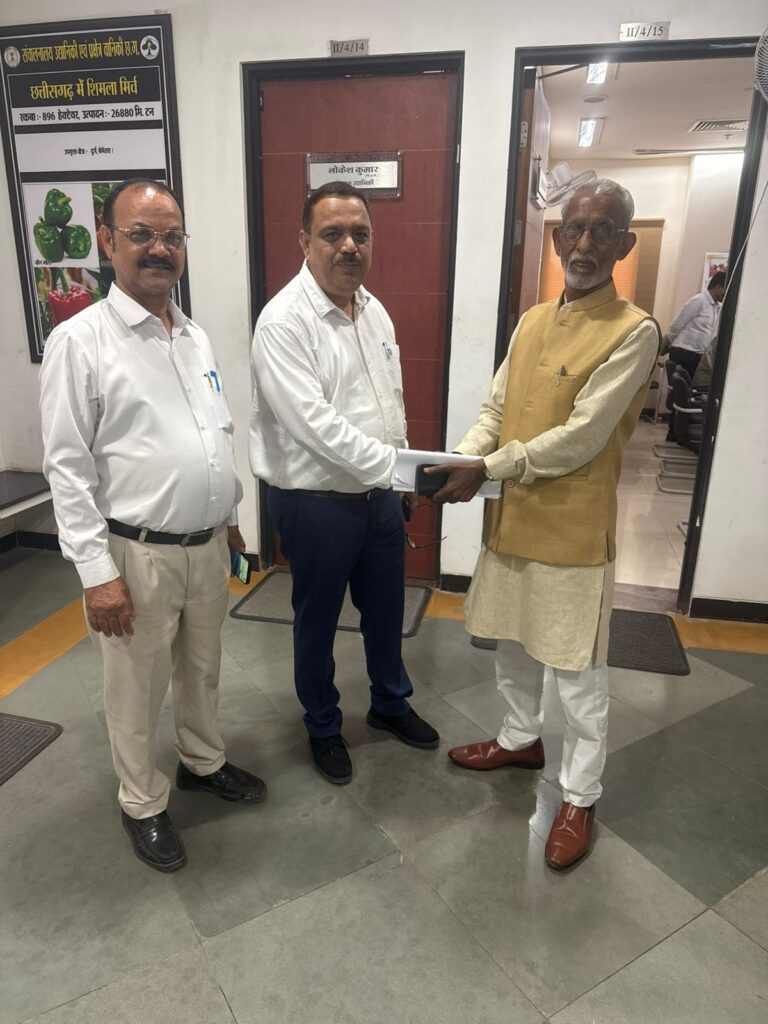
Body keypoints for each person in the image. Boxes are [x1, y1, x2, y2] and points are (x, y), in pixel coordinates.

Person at [425, 179, 661, 870]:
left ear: (625, 243)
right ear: (556, 239)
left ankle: (580, 796)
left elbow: (582, 437)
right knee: (514, 649)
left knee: (578, 675)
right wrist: (460, 460)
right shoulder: (531, 321)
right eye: (573, 229)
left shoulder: (634, 331)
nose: (584, 244)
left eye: (602, 230)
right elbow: (496, 411)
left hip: (572, 532)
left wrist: (489, 468)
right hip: (512, 520)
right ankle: (519, 739)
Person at [40, 179, 265, 874]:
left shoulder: (193, 336)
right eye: (141, 234)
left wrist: (230, 518)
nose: (159, 249)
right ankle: (141, 801)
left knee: (202, 669)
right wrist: (96, 575)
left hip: (206, 548)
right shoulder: (80, 342)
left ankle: (202, 761)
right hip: (134, 556)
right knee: (135, 689)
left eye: (171, 236)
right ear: (107, 242)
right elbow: (67, 468)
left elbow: (214, 436)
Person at [249, 180, 439, 785]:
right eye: (332, 234)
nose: (349, 246)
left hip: (379, 496)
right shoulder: (284, 323)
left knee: (386, 611)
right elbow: (315, 427)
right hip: (315, 503)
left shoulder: (373, 309)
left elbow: (390, 400)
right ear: (304, 242)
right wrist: (398, 467)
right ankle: (323, 724)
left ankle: (390, 703)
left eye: (360, 233)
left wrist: (399, 474)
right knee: (318, 619)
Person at [662, 271, 725, 377]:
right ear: (718, 287)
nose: (725, 294)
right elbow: (678, 324)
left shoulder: (716, 307)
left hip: (696, 355)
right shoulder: (699, 300)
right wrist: (665, 344)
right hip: (684, 353)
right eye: (725, 290)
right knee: (684, 386)